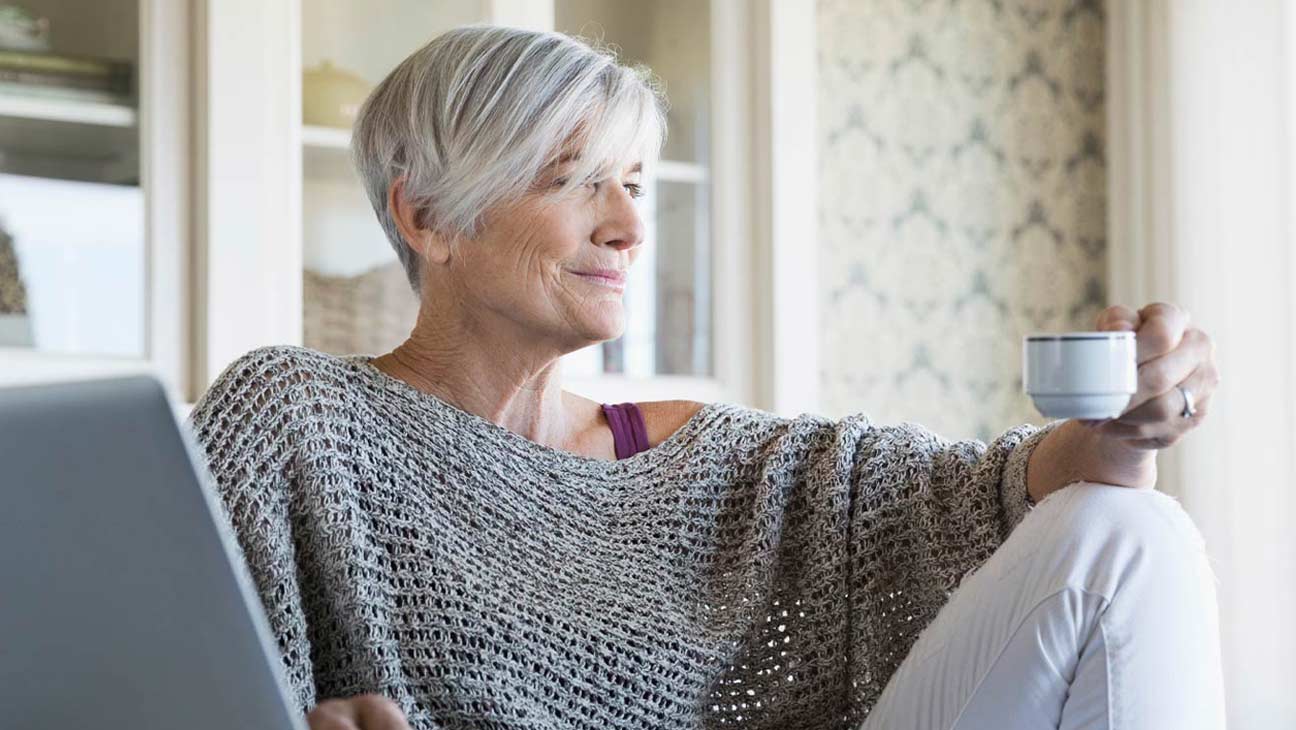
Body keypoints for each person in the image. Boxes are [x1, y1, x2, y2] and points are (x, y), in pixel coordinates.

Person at [187, 24, 1225, 730]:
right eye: (574, 179)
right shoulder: (296, 418)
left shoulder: (711, 459)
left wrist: (1122, 431)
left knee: (1133, 529)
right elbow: (156, 677)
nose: (632, 226)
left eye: (634, 184)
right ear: (426, 217)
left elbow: (984, 494)